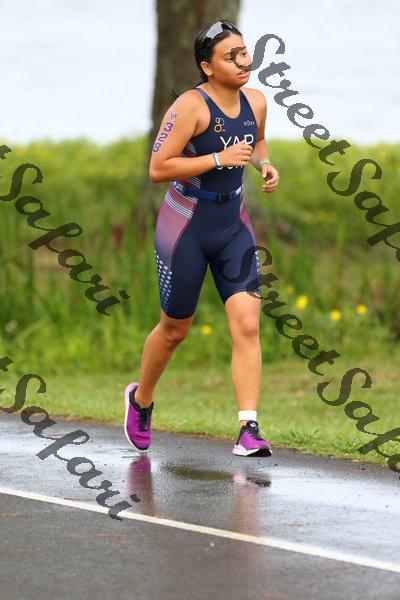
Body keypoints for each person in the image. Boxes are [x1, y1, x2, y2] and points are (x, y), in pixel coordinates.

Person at [124, 19, 279, 456]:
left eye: (245, 53)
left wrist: (263, 164)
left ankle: (248, 429)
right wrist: (218, 158)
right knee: (175, 330)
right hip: (186, 225)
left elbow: (257, 140)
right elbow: (159, 169)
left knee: (247, 324)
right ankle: (140, 401)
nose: (244, 62)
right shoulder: (190, 107)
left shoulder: (256, 101)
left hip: (233, 224)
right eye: (232, 57)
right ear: (207, 67)